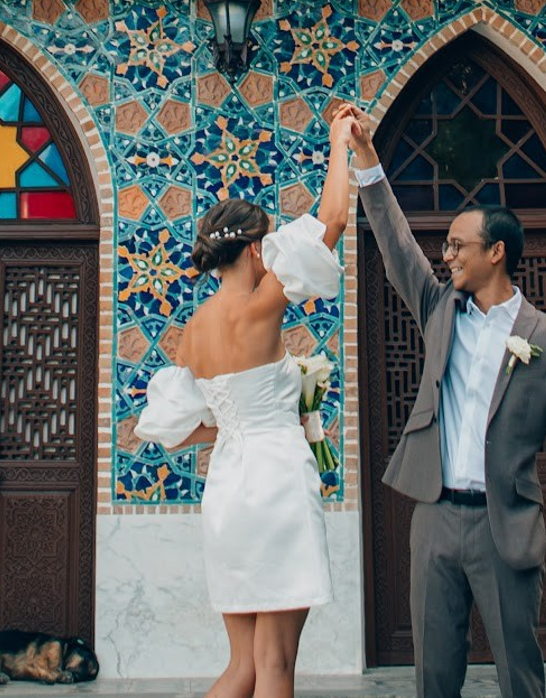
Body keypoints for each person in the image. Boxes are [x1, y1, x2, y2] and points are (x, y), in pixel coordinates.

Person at [338, 102, 546, 698]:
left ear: (496, 252)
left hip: (505, 523)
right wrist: (366, 157)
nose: (448, 255)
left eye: (459, 245)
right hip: (435, 517)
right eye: (447, 246)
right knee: (434, 676)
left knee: (520, 671)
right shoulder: (440, 311)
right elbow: (397, 244)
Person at [136, 106, 355, 698]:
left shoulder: (192, 332)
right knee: (276, 665)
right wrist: (338, 139)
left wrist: (234, 427)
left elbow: (173, 431)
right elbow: (334, 217)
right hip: (276, 483)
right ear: (257, 250)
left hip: (229, 490)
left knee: (244, 667)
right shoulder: (261, 305)